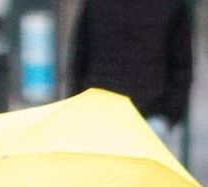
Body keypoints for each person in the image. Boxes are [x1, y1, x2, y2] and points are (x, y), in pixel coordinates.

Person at [68, 0, 193, 138]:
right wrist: (169, 114)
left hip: (102, 108)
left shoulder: (95, 4)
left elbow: (80, 59)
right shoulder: (172, 5)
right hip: (147, 111)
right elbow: (181, 65)